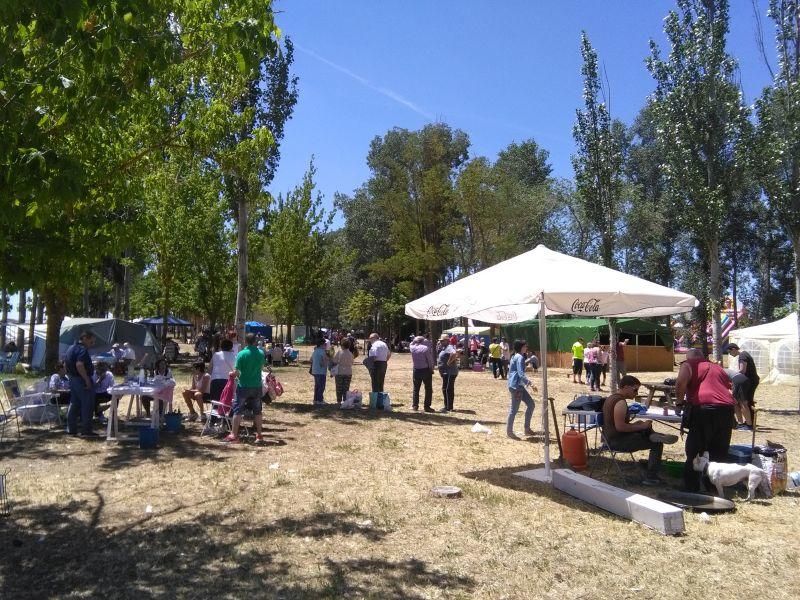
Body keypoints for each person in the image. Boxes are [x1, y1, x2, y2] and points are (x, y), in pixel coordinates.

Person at [674, 349, 736, 493]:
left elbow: (680, 384)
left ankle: (691, 486)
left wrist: (678, 403)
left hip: (704, 408)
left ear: (690, 357)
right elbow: (727, 387)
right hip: (726, 409)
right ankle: (714, 486)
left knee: (695, 449)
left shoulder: (688, 365)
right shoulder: (717, 367)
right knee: (718, 449)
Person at [602, 375, 677, 485]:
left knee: (640, 424)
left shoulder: (611, 398)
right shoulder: (620, 403)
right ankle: (651, 477)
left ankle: (652, 435)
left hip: (612, 439)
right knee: (656, 444)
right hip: (616, 442)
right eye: (635, 390)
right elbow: (620, 427)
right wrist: (641, 427)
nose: (636, 393)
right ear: (626, 387)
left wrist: (639, 425)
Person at [223, 333, 266, 444]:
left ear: (245, 341)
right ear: (255, 341)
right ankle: (259, 435)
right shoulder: (261, 353)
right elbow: (261, 368)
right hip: (256, 386)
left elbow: (237, 372)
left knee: (237, 411)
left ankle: (234, 435)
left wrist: (232, 374)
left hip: (243, 386)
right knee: (257, 411)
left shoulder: (241, 354)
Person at [64, 330, 97, 437]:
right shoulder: (82, 349)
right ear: (85, 339)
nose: (92, 345)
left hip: (72, 379)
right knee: (87, 404)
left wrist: (70, 376)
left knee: (74, 404)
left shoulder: (70, 348)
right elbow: (79, 365)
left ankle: (71, 428)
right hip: (81, 379)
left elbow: (65, 364)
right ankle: (86, 430)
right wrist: (86, 379)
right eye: (91, 342)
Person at [507, 340, 537, 439]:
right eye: (525, 346)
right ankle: (509, 432)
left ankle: (527, 429)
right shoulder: (519, 357)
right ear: (521, 347)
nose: (526, 348)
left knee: (531, 405)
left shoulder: (515, 356)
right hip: (516, 387)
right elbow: (520, 373)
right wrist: (530, 383)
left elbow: (518, 369)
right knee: (514, 410)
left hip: (518, 386)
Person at [725, 343, 759, 431]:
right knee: (746, 402)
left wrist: (735, 376)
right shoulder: (744, 354)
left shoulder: (742, 356)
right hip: (750, 380)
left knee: (743, 402)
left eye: (730, 352)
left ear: (733, 349)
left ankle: (749, 424)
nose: (730, 355)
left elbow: (742, 370)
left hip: (747, 380)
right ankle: (748, 422)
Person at [410, 335, 435, 412]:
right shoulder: (425, 349)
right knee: (428, 389)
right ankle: (427, 406)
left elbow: (411, 343)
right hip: (425, 370)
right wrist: (431, 369)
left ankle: (415, 405)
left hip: (416, 370)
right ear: (422, 341)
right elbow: (430, 361)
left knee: (416, 389)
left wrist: (414, 340)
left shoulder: (412, 348)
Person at [209, 339, 236, 406]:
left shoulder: (216, 354)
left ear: (221, 346)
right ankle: (226, 415)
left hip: (215, 380)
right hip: (228, 381)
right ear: (231, 347)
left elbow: (210, 368)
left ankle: (214, 416)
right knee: (227, 402)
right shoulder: (234, 356)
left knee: (215, 402)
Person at [437, 339, 461, 412]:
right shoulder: (445, 348)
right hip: (446, 372)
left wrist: (449, 362)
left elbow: (454, 354)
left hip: (450, 372)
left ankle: (448, 407)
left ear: (447, 341)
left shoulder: (449, 347)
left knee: (447, 389)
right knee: (446, 389)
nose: (441, 342)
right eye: (440, 341)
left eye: (442, 341)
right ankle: (448, 406)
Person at [330, 338, 354, 404]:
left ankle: (339, 400)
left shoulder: (339, 352)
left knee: (339, 387)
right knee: (346, 387)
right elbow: (352, 362)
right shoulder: (351, 354)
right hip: (348, 372)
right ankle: (345, 400)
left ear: (342, 345)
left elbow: (334, 361)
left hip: (340, 372)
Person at [310, 336, 329, 405]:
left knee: (317, 386)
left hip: (315, 371)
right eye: (325, 344)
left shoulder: (315, 351)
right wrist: (327, 359)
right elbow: (323, 363)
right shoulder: (323, 352)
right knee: (321, 386)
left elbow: (311, 360)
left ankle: (315, 399)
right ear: (321, 344)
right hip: (321, 372)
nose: (326, 345)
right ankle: (320, 400)